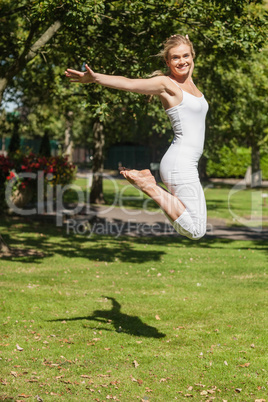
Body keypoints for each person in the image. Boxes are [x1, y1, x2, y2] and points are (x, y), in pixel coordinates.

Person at [65, 34, 208, 240]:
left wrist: (185, 39)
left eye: (186, 55)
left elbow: (187, 63)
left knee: (196, 224)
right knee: (195, 230)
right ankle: (148, 186)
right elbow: (129, 83)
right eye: (175, 58)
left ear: (193, 56)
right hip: (180, 163)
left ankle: (148, 184)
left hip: (187, 162)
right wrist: (96, 78)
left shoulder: (190, 82)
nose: (182, 61)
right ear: (167, 62)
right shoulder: (167, 84)